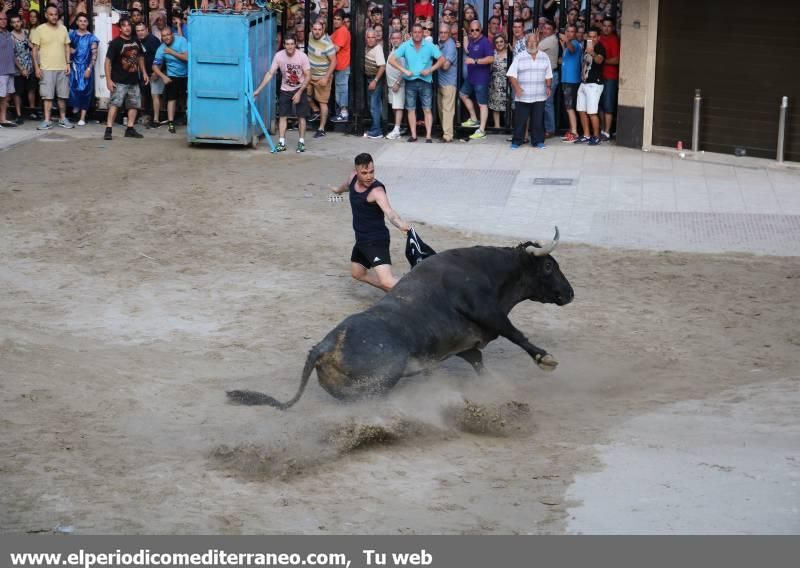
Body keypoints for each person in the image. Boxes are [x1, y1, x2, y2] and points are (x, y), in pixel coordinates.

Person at [330, 152, 410, 292]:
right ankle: (394, 291)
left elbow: (390, 212)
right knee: (357, 273)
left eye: (372, 172)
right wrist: (338, 190)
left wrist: (400, 224)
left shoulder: (377, 191)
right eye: (364, 173)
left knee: (386, 280)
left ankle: (416, 294)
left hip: (375, 240)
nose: (369, 176)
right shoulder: (352, 178)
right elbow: (346, 186)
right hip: (361, 239)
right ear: (356, 172)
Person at [388, 22, 445, 143]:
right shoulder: (406, 45)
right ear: (411, 34)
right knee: (411, 109)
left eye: (419, 32)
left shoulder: (429, 45)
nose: (417, 34)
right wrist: (404, 70)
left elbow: (442, 59)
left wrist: (430, 69)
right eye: (415, 32)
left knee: (427, 109)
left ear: (423, 33)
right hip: (410, 81)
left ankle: (428, 136)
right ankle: (414, 135)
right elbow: (392, 60)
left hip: (426, 81)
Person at [254, 34, 310, 153]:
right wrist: (258, 91)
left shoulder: (302, 56)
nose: (290, 47)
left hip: (300, 87)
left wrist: (299, 92)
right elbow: (270, 73)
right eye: (287, 44)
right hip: (285, 89)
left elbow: (308, 76)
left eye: (292, 44)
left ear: (295, 45)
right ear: (284, 45)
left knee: (301, 116)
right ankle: (281, 142)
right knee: (282, 116)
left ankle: (301, 143)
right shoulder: (279, 56)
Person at [103, 17, 147, 140]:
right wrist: (108, 80)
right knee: (115, 104)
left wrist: (143, 73)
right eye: (124, 25)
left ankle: (130, 128)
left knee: (134, 105)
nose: (127, 28)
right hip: (119, 80)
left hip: (133, 80)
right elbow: (107, 62)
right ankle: (108, 129)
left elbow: (140, 57)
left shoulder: (136, 40)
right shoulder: (115, 43)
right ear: (120, 28)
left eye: (129, 25)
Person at [506, 33, 552, 150]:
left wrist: (548, 87)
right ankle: (517, 141)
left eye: (534, 42)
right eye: (529, 42)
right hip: (523, 95)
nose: (532, 44)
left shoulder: (544, 56)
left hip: (539, 95)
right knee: (520, 120)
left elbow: (548, 74)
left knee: (537, 120)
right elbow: (511, 75)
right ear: (526, 44)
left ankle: (538, 141)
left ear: (538, 43)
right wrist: (517, 88)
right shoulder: (519, 57)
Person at [30, 4, 73, 130]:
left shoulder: (63, 29)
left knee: (62, 96)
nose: (54, 17)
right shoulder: (39, 29)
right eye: (51, 14)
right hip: (46, 68)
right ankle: (47, 120)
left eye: (56, 14)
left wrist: (68, 64)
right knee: (47, 96)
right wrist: (37, 67)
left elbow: (67, 47)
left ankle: (63, 119)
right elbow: (34, 50)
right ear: (46, 15)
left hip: (62, 68)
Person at [459, 21, 494, 140]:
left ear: (481, 29)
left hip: (481, 79)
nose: (474, 32)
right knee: (463, 94)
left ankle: (482, 130)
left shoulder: (485, 42)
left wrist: (474, 61)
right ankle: (474, 119)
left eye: (476, 30)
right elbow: (468, 50)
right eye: (472, 30)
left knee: (482, 104)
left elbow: (491, 58)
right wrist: (464, 37)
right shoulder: (473, 41)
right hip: (471, 77)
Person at [151, 26, 186, 134]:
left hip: (187, 74)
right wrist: (163, 76)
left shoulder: (181, 41)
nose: (166, 37)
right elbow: (154, 66)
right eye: (163, 36)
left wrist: (171, 52)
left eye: (168, 35)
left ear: (172, 34)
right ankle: (171, 122)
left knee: (187, 97)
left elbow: (187, 58)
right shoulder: (161, 49)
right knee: (172, 98)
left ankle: (189, 119)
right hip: (173, 75)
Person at [575, 28, 605, 145]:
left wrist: (592, 52)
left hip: (594, 84)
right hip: (584, 82)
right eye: (589, 36)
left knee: (592, 112)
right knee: (581, 110)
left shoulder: (600, 47)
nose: (591, 39)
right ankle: (587, 135)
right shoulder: (584, 47)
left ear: (598, 38)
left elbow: (599, 61)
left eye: (594, 36)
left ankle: (596, 136)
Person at [306, 19, 335, 139]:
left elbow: (334, 62)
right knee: (305, 95)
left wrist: (326, 77)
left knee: (323, 102)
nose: (317, 32)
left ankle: (321, 129)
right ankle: (315, 110)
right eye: (315, 29)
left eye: (319, 30)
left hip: (322, 76)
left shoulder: (328, 44)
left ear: (323, 30)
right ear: (312, 30)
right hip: (310, 75)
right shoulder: (310, 36)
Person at [67, 13, 98, 126]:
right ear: (77, 22)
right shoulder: (71, 35)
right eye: (80, 21)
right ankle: (75, 109)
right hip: (74, 67)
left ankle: (83, 117)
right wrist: (69, 51)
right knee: (72, 89)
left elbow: (94, 55)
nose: (83, 23)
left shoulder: (92, 38)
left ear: (88, 23)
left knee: (86, 91)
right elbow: (65, 48)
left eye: (85, 21)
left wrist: (90, 68)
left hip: (86, 67)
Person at [10, 13, 37, 123]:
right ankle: (19, 114)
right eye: (14, 22)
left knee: (31, 90)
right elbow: (12, 55)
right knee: (18, 93)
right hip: (18, 69)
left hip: (29, 66)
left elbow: (31, 46)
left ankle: (32, 111)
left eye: (18, 21)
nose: (16, 24)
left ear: (21, 22)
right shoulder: (10, 36)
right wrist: (21, 69)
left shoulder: (26, 32)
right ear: (11, 24)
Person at [135, 20, 161, 127]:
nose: (140, 32)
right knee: (144, 94)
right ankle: (146, 115)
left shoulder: (153, 40)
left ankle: (154, 119)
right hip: (143, 72)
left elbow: (159, 57)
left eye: (142, 30)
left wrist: (157, 72)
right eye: (138, 31)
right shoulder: (137, 41)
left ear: (147, 30)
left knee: (154, 95)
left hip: (154, 72)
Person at [598, 16, 620, 141]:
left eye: (608, 26)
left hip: (610, 77)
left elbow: (617, 60)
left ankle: (607, 132)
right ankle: (602, 129)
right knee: (600, 105)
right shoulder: (598, 38)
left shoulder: (614, 40)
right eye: (604, 25)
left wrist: (602, 61)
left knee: (608, 105)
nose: (606, 28)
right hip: (598, 77)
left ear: (612, 28)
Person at [559, 24, 582, 142]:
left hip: (571, 81)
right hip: (567, 80)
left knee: (570, 107)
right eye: (567, 31)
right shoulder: (567, 45)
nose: (569, 33)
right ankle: (572, 130)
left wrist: (566, 41)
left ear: (575, 33)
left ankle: (574, 133)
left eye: (572, 31)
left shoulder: (575, 44)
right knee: (569, 106)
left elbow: (572, 48)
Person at [538, 19, 559, 137]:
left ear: (554, 30)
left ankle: (550, 129)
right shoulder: (548, 39)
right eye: (544, 28)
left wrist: (537, 37)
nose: (545, 30)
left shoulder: (550, 40)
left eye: (548, 29)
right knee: (545, 102)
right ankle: (547, 128)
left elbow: (533, 48)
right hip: (547, 75)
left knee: (547, 103)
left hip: (550, 75)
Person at [436, 22, 457, 143]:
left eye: (445, 33)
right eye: (441, 32)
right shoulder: (441, 44)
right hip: (440, 82)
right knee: (442, 110)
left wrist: (436, 53)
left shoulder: (450, 45)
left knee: (447, 110)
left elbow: (445, 66)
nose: (443, 35)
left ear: (449, 33)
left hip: (449, 83)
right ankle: (445, 132)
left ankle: (448, 135)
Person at [363, 28, 385, 140]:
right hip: (369, 79)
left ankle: (377, 131)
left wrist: (375, 81)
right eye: (369, 37)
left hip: (375, 79)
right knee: (373, 105)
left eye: (373, 37)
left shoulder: (378, 49)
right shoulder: (366, 48)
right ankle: (375, 128)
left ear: (376, 38)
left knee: (374, 106)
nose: (371, 39)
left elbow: (382, 66)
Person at [384, 30, 405, 141]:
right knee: (395, 106)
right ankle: (398, 127)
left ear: (401, 39)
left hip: (398, 85)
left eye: (398, 38)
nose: (395, 40)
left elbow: (404, 69)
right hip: (391, 85)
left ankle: (396, 130)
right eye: (393, 38)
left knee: (398, 106)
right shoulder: (393, 50)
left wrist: (398, 82)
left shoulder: (402, 52)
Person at [329, 9, 350, 123]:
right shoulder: (338, 31)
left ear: (342, 21)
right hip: (339, 66)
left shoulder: (342, 31)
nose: (336, 21)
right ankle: (341, 114)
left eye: (338, 19)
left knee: (342, 90)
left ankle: (344, 113)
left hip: (342, 65)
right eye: (335, 19)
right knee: (340, 90)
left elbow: (335, 48)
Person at [0, 11, 17, 128]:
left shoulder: (9, 34)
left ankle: (3, 119)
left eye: (5, 19)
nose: (3, 20)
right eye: (1, 19)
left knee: (6, 96)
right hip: (0, 71)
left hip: (10, 70)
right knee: (1, 96)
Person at [488, 33, 509, 129]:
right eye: (497, 42)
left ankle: (508, 125)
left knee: (508, 104)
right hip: (495, 82)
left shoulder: (510, 53)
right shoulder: (492, 53)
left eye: (501, 41)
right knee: (495, 105)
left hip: (508, 82)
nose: (499, 44)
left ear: (505, 42)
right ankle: (497, 126)